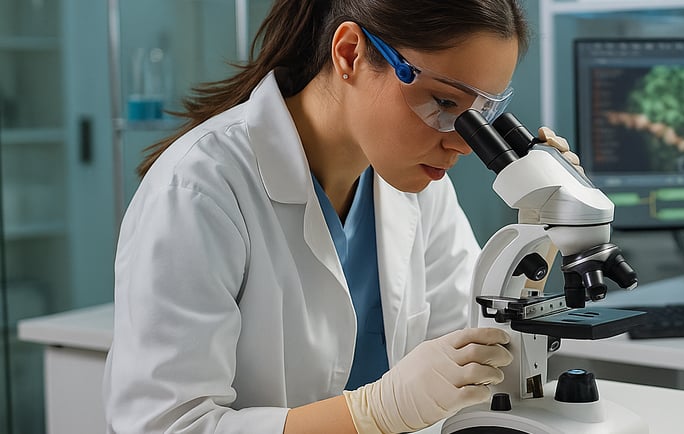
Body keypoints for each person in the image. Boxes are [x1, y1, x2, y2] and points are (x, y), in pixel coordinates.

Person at [101, 1, 580, 433]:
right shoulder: (199, 188)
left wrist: (536, 230)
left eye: (483, 116)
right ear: (350, 53)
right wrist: (369, 413)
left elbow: (475, 352)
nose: (460, 142)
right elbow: (166, 426)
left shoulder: (417, 189)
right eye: (444, 103)